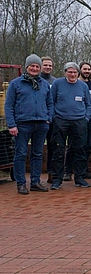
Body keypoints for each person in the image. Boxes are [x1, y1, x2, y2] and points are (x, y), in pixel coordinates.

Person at [4, 54, 53, 194]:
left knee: (38, 154)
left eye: (37, 66)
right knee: (20, 154)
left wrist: (48, 117)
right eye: (32, 66)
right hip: (22, 124)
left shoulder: (44, 84)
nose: (35, 68)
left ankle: (35, 182)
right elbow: (9, 105)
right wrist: (11, 124)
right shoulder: (16, 83)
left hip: (41, 124)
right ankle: (21, 183)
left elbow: (50, 103)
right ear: (27, 67)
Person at [49, 62, 91, 190]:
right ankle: (57, 179)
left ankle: (79, 177)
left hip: (79, 121)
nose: (72, 74)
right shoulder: (57, 84)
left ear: (78, 73)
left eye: (75, 72)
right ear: (65, 72)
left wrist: (86, 118)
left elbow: (89, 104)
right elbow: (51, 101)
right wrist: (54, 117)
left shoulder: (83, 86)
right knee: (58, 150)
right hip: (61, 120)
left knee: (79, 150)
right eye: (70, 72)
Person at [64, 61, 91, 180]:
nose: (87, 71)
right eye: (85, 69)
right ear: (80, 71)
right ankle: (68, 171)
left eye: (89, 69)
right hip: (76, 120)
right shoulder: (74, 84)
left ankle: (84, 170)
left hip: (89, 121)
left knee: (87, 146)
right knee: (72, 146)